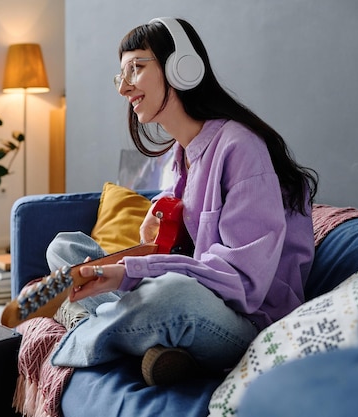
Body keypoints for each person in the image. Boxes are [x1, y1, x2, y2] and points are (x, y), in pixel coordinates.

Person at [47, 17, 319, 386]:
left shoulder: (241, 147)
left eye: (136, 69)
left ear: (182, 68)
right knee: (65, 247)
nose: (124, 87)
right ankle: (153, 344)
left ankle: (80, 326)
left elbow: (244, 283)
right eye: (120, 75)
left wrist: (132, 273)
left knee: (171, 295)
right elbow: (182, 234)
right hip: (196, 295)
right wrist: (150, 234)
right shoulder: (180, 155)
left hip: (243, 319)